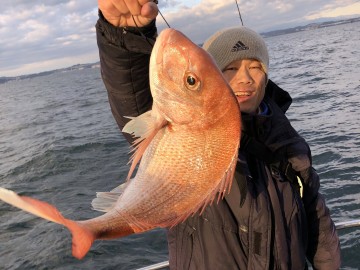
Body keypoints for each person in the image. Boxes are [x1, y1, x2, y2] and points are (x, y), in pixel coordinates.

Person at [96, 0, 341, 269]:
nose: (246, 78)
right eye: (231, 68)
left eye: (256, 67)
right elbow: (133, 99)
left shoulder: (290, 142)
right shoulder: (184, 125)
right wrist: (126, 34)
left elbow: (315, 215)